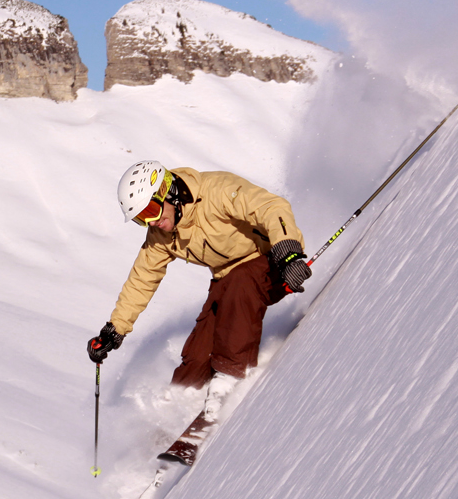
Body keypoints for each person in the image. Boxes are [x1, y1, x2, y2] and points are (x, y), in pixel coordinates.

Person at [87, 160, 310, 394]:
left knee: (240, 283)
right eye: (142, 219)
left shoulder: (215, 190)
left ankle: (230, 377)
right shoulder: (161, 234)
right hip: (226, 279)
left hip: (274, 261)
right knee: (198, 353)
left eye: (151, 211)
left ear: (167, 191)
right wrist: (114, 330)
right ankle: (177, 403)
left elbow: (270, 207)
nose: (152, 223)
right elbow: (142, 279)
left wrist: (288, 253)